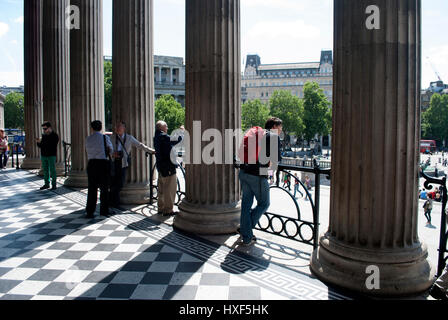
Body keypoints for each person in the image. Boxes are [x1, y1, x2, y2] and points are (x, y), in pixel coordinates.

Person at [238, 117, 282, 246]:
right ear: (274, 126)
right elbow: (274, 161)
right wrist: (268, 175)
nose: (281, 130)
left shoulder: (257, 134)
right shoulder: (273, 137)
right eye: (280, 127)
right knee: (264, 203)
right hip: (256, 175)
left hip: (243, 171)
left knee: (246, 205)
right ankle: (246, 233)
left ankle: (245, 232)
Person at [109, 121, 155, 208]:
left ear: (124, 128)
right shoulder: (112, 137)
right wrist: (112, 154)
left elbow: (140, 145)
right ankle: (114, 202)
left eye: (120, 126)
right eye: (116, 126)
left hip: (123, 163)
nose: (117, 128)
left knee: (120, 183)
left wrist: (151, 150)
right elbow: (107, 149)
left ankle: (113, 201)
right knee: (113, 183)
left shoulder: (129, 138)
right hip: (113, 162)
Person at [154, 121, 183, 217]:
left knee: (161, 188)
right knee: (169, 189)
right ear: (161, 128)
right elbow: (177, 139)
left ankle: (160, 208)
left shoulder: (156, 137)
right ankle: (168, 210)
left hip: (161, 167)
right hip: (168, 166)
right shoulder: (163, 136)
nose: (167, 128)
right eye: (166, 126)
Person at [85, 120, 113, 218]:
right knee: (104, 188)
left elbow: (87, 150)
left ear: (92, 128)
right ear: (101, 128)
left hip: (92, 163)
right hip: (103, 163)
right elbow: (111, 149)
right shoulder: (105, 138)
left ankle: (90, 211)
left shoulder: (88, 139)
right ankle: (104, 210)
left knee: (92, 188)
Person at [36, 121, 59, 190]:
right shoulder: (44, 136)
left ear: (49, 128)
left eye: (45, 129)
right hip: (44, 155)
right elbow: (41, 146)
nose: (44, 130)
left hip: (51, 155)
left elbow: (52, 145)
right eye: (43, 129)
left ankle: (54, 185)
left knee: (52, 170)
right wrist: (38, 142)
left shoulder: (55, 135)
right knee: (45, 170)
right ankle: (46, 184)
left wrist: (43, 143)